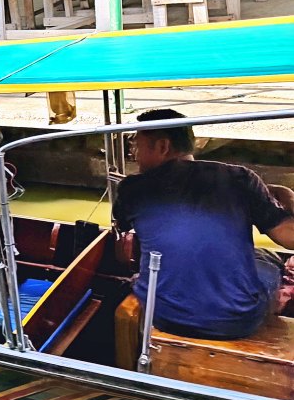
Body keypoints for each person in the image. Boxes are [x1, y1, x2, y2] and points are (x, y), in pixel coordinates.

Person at [113, 109, 294, 340]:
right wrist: (288, 198)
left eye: (137, 147)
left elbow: (123, 229)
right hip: (235, 321)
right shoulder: (239, 178)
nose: (135, 156)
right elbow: (289, 237)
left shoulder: (132, 189)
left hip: (164, 314)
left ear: (162, 147)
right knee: (269, 260)